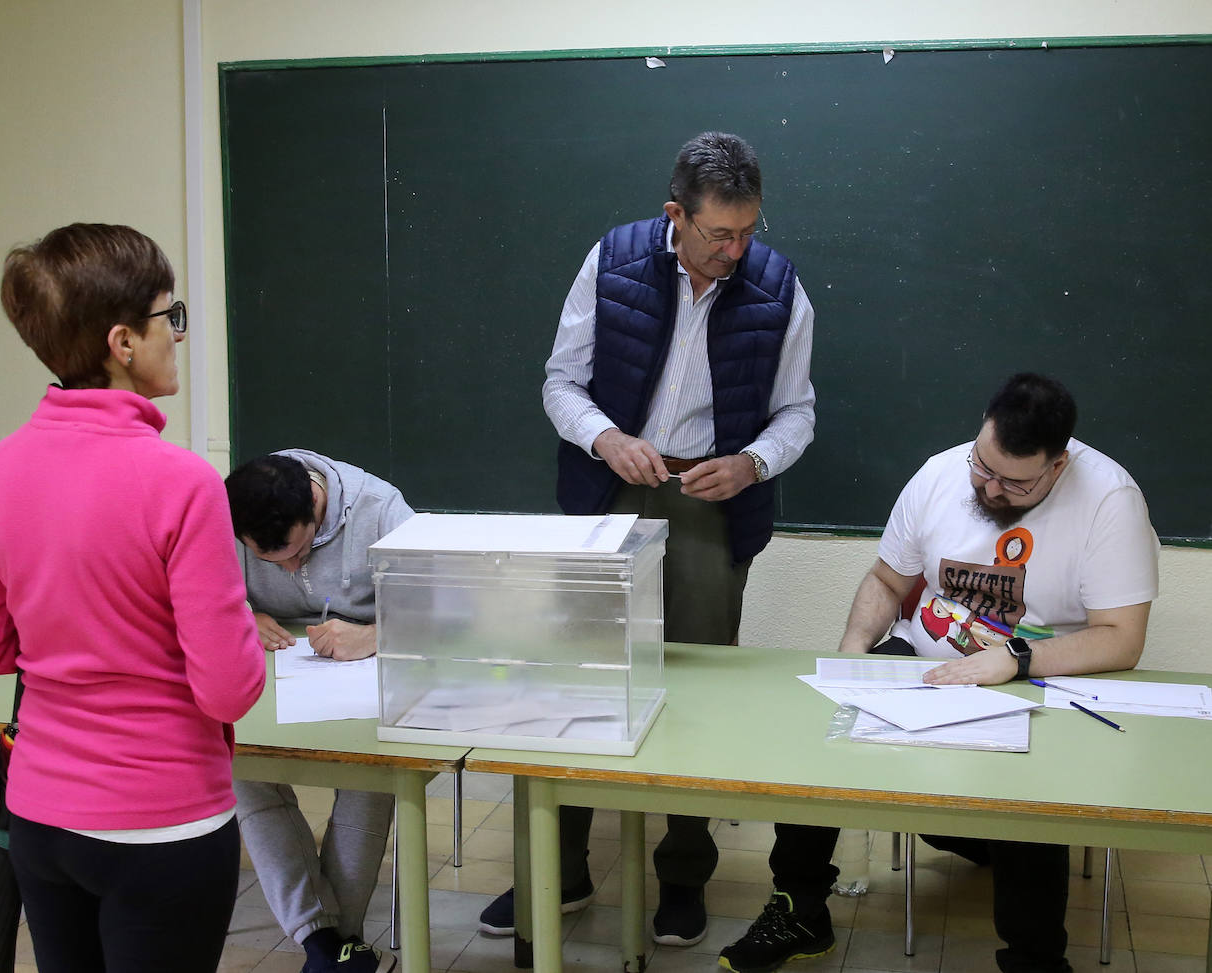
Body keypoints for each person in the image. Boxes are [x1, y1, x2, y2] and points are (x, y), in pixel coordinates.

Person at [479, 131, 817, 947]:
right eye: (719, 234)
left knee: (697, 689)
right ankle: (557, 869)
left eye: (748, 230)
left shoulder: (779, 287)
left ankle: (683, 876)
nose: (736, 250)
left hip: (709, 498)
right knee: (577, 682)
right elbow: (561, 381)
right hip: (607, 493)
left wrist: (751, 463)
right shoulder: (613, 260)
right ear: (676, 215)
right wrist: (603, 438)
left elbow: (798, 410)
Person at [719, 373, 1159, 973]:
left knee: (1027, 799)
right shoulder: (941, 473)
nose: (992, 488)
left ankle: (1033, 957)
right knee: (819, 745)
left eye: (1015, 481)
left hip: (1037, 676)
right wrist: (854, 652)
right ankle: (798, 909)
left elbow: (1121, 639)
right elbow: (886, 581)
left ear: (1058, 466)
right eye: (985, 467)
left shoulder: (1109, 499)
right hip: (923, 663)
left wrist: (1014, 660)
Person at [0, 223, 267, 973]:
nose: (178, 336)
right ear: (122, 342)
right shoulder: (180, 481)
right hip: (162, 822)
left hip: (41, 817)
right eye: (170, 317)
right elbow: (229, 687)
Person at [225, 449, 414, 973]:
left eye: (297, 550)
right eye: (269, 561)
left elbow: (446, 609)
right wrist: (241, 613)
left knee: (370, 767)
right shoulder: (223, 512)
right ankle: (327, 944)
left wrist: (377, 634)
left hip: (362, 677)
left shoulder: (382, 510)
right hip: (271, 676)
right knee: (241, 763)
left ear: (316, 503)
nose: (289, 567)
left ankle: (331, 941)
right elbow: (185, 588)